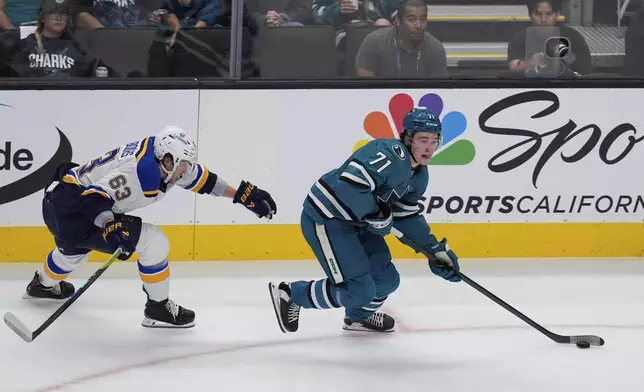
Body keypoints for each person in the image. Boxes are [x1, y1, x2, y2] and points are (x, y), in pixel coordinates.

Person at [24, 126, 277, 329]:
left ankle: (42, 285)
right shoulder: (139, 173)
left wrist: (240, 195)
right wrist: (111, 226)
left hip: (58, 200)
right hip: (77, 210)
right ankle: (158, 307)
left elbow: (200, 179)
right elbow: (93, 198)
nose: (185, 172)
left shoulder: (159, 154)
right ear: (167, 160)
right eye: (182, 165)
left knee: (74, 251)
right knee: (154, 242)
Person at [268, 108, 460, 333]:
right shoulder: (390, 153)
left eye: (434, 140)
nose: (429, 147)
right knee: (358, 290)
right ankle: (291, 294)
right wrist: (376, 214)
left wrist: (434, 250)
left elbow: (405, 215)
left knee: (386, 280)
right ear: (408, 139)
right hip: (329, 219)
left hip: (359, 223)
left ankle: (357, 317)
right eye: (422, 139)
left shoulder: (419, 175)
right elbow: (349, 184)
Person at [1, 0, 116, 78]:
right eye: (53, 13)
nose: (58, 17)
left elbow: (104, 72)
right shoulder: (24, 45)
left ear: (68, 19)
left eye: (63, 13)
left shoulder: (77, 48)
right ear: (42, 18)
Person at [355, 0, 447, 78]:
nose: (419, 25)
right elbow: (367, 89)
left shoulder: (435, 48)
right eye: (411, 20)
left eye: (422, 19)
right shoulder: (374, 42)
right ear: (398, 21)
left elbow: (438, 91)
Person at [507, 0, 591, 77]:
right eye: (538, 14)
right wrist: (531, 63)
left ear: (557, 14)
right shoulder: (521, 37)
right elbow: (513, 66)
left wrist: (567, 57)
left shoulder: (571, 36)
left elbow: (585, 69)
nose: (543, 20)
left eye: (549, 14)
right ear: (530, 14)